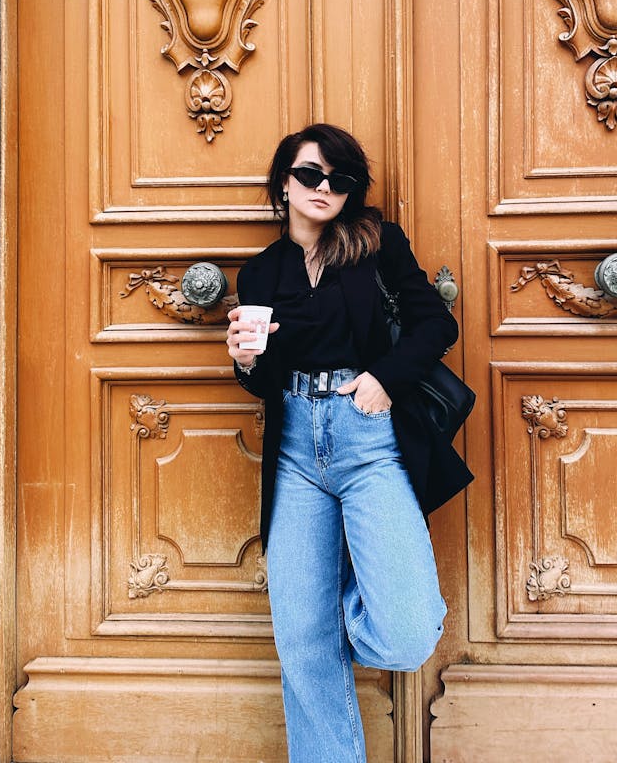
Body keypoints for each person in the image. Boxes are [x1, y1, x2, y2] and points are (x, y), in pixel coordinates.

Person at [226, 123, 473, 763]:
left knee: (407, 631)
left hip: (368, 439)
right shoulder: (260, 273)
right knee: (303, 653)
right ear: (284, 182)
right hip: (295, 453)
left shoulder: (375, 244)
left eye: (340, 180)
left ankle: (326, 620)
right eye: (310, 175)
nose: (324, 188)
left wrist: (385, 379)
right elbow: (262, 378)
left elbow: (434, 323)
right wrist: (247, 362)